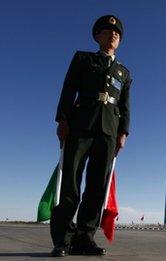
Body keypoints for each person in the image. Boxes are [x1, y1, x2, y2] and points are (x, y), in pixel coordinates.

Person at [50, 15, 132, 257]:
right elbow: (68, 89)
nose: (113, 35)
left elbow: (126, 106)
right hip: (80, 126)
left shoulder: (124, 73)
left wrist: (123, 132)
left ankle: (84, 238)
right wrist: (63, 119)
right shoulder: (83, 59)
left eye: (116, 33)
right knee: (70, 183)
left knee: (98, 187)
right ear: (97, 36)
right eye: (107, 31)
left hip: (109, 131)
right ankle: (62, 240)